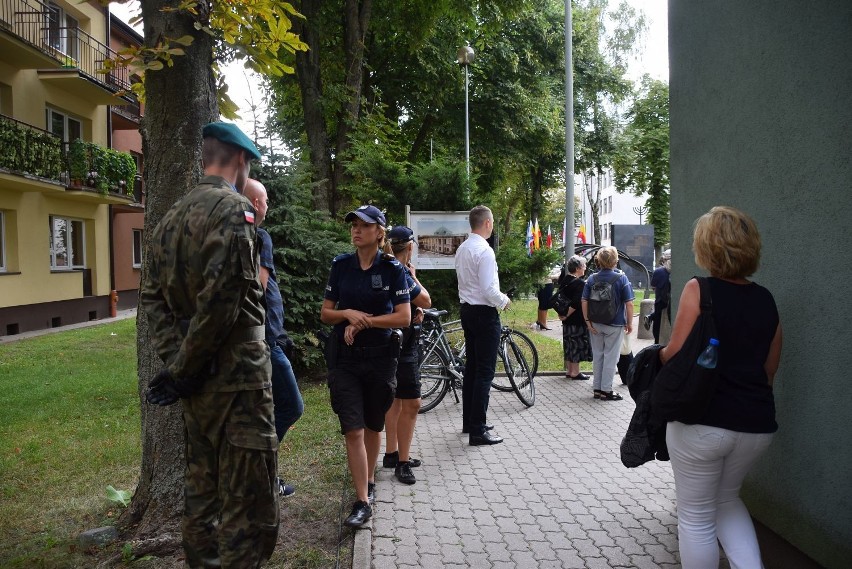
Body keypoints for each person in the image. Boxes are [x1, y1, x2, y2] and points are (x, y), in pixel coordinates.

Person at [140, 122, 279, 567]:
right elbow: (224, 300)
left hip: (197, 390)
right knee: (249, 505)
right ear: (241, 160)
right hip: (238, 384)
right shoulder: (235, 210)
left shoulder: (169, 218)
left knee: (201, 498)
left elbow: (151, 300)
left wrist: (179, 366)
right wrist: (185, 368)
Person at [660, 206, 782, 568]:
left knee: (695, 516)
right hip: (756, 425)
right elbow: (769, 369)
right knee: (728, 500)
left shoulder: (700, 290)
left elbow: (675, 356)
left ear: (706, 248)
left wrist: (658, 354)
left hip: (702, 423)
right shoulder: (766, 299)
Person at [320, 205, 411, 528]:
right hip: (345, 360)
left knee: (373, 426)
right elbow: (326, 313)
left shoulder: (391, 269)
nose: (356, 230)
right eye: (354, 225)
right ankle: (362, 501)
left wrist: (365, 322)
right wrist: (347, 315)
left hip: (380, 358)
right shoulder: (341, 266)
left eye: (364, 225)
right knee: (354, 428)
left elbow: (404, 317)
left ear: (379, 232)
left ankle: (369, 481)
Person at [243, 179, 305, 498]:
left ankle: (265, 475)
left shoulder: (234, 236)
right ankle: (258, 471)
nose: (268, 205)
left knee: (262, 411)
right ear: (255, 204)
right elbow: (258, 288)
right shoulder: (260, 236)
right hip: (266, 344)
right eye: (265, 199)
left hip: (257, 343)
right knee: (291, 407)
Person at [455, 205, 511, 446]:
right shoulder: (485, 251)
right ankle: (478, 430)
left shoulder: (462, 248)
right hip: (485, 314)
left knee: (473, 368)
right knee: (485, 372)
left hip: (467, 310)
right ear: (487, 223)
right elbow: (489, 290)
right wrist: (504, 300)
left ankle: (470, 421)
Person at [382, 225, 431, 485]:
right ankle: (402, 463)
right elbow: (426, 300)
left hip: (390, 342)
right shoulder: (401, 270)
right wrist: (415, 277)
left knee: (396, 400)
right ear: (410, 246)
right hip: (404, 344)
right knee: (412, 403)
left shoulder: (385, 265)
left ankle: (392, 453)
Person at [581, 245, 634, 401]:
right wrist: (629, 323)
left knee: (598, 356)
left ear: (598, 260)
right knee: (611, 357)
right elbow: (629, 303)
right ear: (615, 261)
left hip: (595, 323)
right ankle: (606, 391)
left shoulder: (591, 279)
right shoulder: (621, 278)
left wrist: (587, 321)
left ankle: (597, 389)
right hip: (615, 323)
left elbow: (584, 300)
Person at [556, 255, 592, 380]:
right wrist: (567, 314)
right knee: (576, 344)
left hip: (566, 320)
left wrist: (562, 314)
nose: (585, 268)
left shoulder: (565, 280)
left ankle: (569, 370)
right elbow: (577, 303)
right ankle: (575, 372)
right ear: (578, 268)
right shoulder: (580, 283)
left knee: (569, 344)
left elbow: (560, 298)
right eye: (584, 265)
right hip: (576, 319)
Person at [649, 249, 672, 343]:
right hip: (671, 302)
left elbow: (653, 286)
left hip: (661, 302)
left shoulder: (659, 272)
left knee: (657, 327)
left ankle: (657, 343)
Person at [534, 265, 559, 330]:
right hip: (545, 284)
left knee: (542, 304)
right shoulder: (542, 260)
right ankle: (543, 323)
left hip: (542, 283)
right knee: (545, 305)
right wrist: (556, 276)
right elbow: (545, 275)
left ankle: (539, 321)